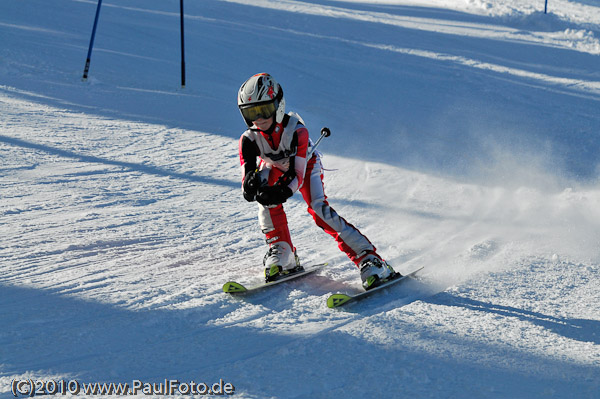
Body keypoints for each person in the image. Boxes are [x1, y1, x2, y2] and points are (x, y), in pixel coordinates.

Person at [237, 73, 398, 290]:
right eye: (251, 113)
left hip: (306, 166)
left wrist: (282, 191)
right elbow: (247, 175)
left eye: (264, 110)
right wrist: (250, 185)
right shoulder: (248, 139)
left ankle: (369, 258)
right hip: (275, 167)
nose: (259, 119)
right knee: (263, 196)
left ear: (278, 105)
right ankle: (282, 249)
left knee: (318, 209)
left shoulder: (296, 130)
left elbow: (297, 175)